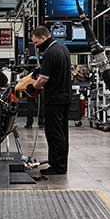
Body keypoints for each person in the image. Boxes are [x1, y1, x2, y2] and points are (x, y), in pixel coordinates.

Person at [27, 26, 72, 175]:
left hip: (54, 98)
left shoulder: (49, 53)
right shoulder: (62, 48)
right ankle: (61, 163)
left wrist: (33, 87)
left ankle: (57, 167)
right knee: (62, 132)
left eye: (36, 43)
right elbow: (55, 70)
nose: (36, 46)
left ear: (43, 38)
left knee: (53, 133)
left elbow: (44, 79)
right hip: (65, 97)